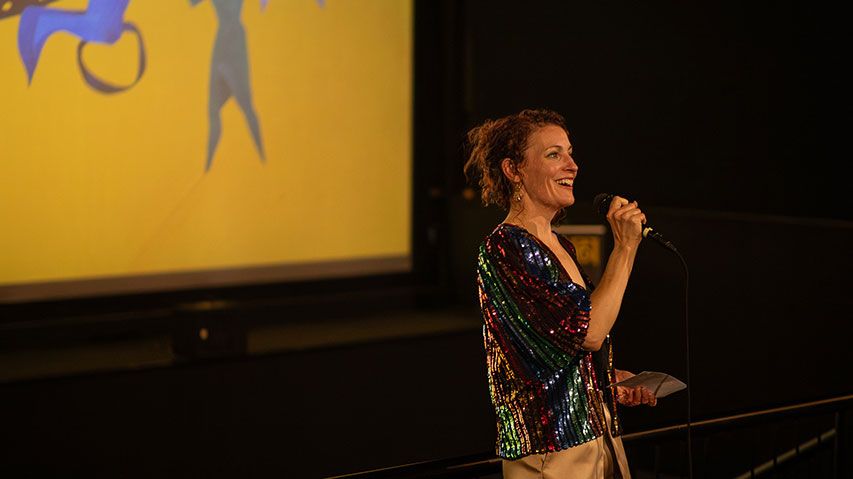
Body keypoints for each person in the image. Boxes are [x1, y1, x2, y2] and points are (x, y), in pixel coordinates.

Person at [464, 108, 656, 478]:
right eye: (554, 154)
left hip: (596, 435)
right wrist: (625, 248)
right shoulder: (505, 248)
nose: (572, 165)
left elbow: (563, 341)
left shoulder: (560, 246)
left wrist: (605, 379)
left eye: (570, 153)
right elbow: (590, 331)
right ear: (513, 170)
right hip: (551, 451)